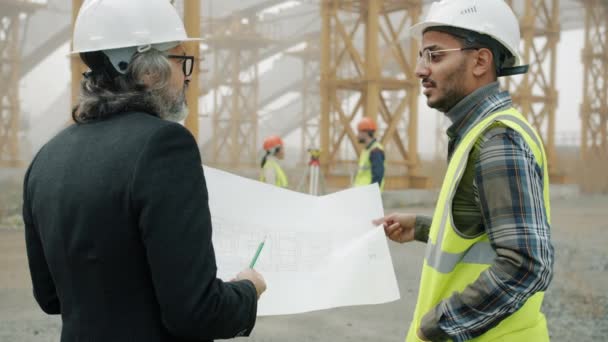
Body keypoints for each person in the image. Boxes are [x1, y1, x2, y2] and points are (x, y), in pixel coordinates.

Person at [22, 1, 266, 341]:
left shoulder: (48, 157)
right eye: (182, 61)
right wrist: (247, 291)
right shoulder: (165, 146)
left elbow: (50, 297)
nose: (187, 77)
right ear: (150, 72)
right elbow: (196, 313)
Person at [374, 0, 554, 341]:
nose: (420, 70)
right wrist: (423, 227)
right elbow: (486, 231)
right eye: (421, 56)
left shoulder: (498, 140)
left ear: (481, 61)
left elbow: (527, 264)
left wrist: (439, 325)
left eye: (435, 55)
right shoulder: (477, 132)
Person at [353, 117, 386, 191]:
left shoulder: (375, 150)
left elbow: (378, 175)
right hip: (362, 193)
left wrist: (372, 193)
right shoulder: (366, 151)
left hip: (368, 194)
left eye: (359, 132)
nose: (357, 135)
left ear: (365, 133)